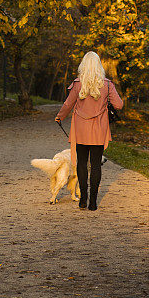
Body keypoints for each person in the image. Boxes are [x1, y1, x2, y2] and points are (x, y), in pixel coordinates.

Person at [55, 51, 123, 211]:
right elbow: (119, 105)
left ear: (83, 65)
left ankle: (83, 199)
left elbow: (68, 104)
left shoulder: (78, 84)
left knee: (82, 163)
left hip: (80, 129)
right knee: (96, 165)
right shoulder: (107, 85)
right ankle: (93, 202)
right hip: (99, 129)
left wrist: (60, 117)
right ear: (99, 66)